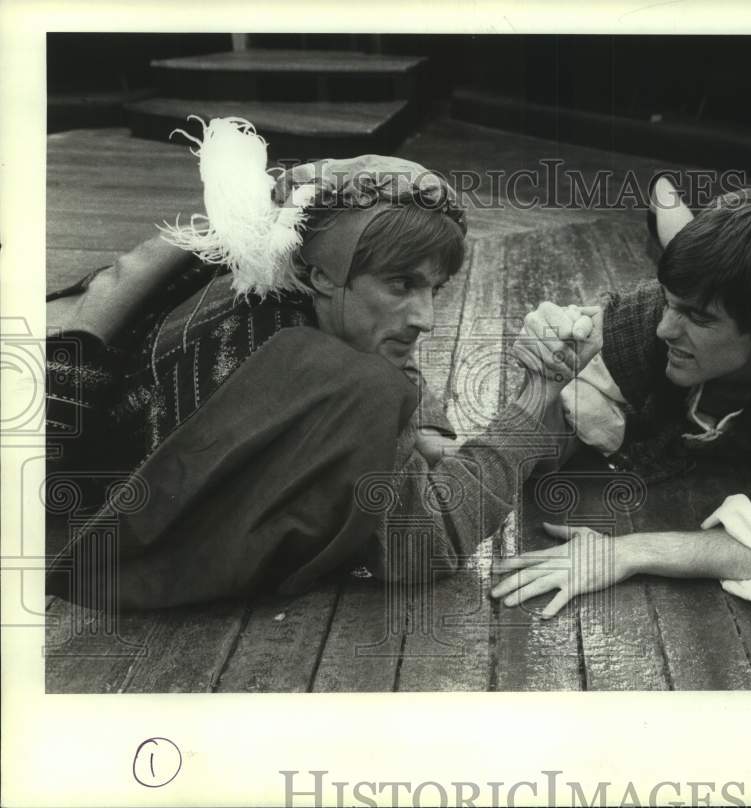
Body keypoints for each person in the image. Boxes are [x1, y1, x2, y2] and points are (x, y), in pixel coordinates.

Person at [46, 118, 599, 610]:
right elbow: (422, 546)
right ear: (321, 275)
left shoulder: (264, 282)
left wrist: (422, 431)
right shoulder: (323, 376)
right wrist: (536, 397)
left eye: (436, 288)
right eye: (401, 284)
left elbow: (381, 367)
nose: (426, 318)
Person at [491, 177, 751, 615]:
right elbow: (559, 430)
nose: (663, 330)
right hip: (742, 293)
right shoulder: (654, 312)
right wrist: (546, 381)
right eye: (671, 303)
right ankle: (662, 187)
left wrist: (626, 552)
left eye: (697, 317)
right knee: (678, 230)